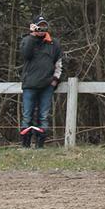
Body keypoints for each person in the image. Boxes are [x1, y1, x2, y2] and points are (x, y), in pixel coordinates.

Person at [18, 15, 63, 148]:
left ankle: (40, 145)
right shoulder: (27, 41)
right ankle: (25, 145)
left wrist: (55, 79)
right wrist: (33, 36)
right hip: (29, 85)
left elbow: (59, 63)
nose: (42, 29)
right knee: (27, 116)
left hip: (47, 86)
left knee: (44, 116)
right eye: (39, 26)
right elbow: (26, 55)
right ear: (34, 26)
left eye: (44, 26)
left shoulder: (54, 43)